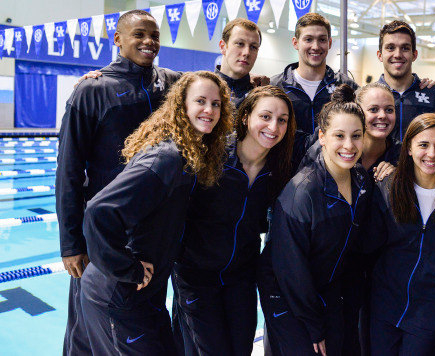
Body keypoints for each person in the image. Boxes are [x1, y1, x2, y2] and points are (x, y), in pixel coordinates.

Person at [79, 71, 233, 354]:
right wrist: (129, 269)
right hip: (118, 292)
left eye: (216, 104)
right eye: (200, 101)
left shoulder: (188, 155)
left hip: (144, 293)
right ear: (182, 106)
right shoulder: (166, 158)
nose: (209, 110)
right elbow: (99, 212)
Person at [55, 10, 180, 355]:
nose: (148, 42)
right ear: (118, 39)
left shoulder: (169, 84)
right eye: (139, 34)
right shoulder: (92, 91)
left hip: (149, 233)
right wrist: (70, 243)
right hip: (102, 231)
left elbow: (213, 89)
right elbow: (68, 169)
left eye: (154, 36)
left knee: (135, 321)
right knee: (85, 325)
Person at [172, 86, 296, 356]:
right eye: (265, 116)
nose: (273, 127)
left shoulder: (279, 168)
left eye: (282, 120)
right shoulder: (211, 155)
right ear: (245, 117)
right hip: (196, 276)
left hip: (240, 276)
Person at [257, 84, 372, 356]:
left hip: (324, 286)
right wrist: (311, 323)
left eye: (356, 136)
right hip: (285, 290)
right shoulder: (303, 192)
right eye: (339, 136)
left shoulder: (361, 180)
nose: (349, 145)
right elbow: (290, 267)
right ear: (322, 137)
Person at [366, 114, 435, 355]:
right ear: (408, 148)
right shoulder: (388, 188)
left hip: (432, 314)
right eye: (423, 145)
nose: (431, 154)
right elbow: (369, 248)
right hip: (384, 309)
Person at [271, 13, 359, 135]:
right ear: (295, 43)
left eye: (322, 40)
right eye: (308, 39)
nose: (316, 46)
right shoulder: (276, 86)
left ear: (329, 43)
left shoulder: (346, 86)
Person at [376, 20, 435, 142]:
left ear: (414, 55)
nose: (397, 54)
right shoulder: (366, 98)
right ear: (380, 55)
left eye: (405, 48)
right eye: (390, 48)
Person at [215, 18, 262, 107]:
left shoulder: (261, 97)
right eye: (240, 44)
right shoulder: (201, 89)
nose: (247, 53)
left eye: (253, 47)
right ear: (223, 47)